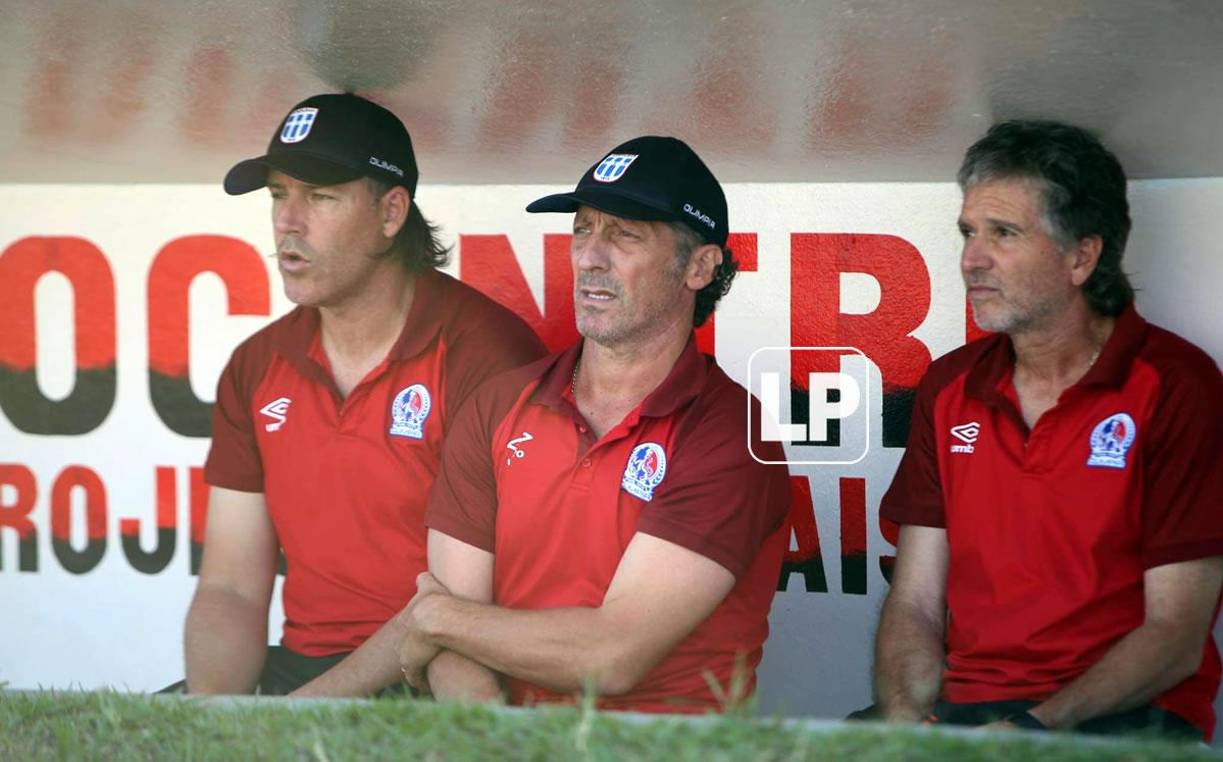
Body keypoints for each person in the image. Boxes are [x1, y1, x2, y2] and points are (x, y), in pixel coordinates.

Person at [393, 136, 792, 712]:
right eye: (583, 229)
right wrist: (494, 739)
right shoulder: (499, 403)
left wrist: (437, 618)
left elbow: (613, 655)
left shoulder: (731, 432)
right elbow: (449, 646)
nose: (589, 257)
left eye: (624, 235)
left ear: (700, 266)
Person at [183, 93, 546, 696]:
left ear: (391, 212)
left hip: (439, 674)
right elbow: (230, 588)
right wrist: (217, 723)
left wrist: (292, 721)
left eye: (320, 197)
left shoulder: (486, 353)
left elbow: (455, 607)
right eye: (278, 195)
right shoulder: (256, 364)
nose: (287, 222)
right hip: (305, 668)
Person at [872, 120, 1223, 739]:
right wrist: (907, 730)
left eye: (1003, 234)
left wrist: (1031, 731)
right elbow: (917, 603)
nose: (970, 259)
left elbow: (1176, 637)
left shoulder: (1177, 385)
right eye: (968, 232)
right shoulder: (951, 386)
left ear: (1081, 256)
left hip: (1124, 719)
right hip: (969, 716)